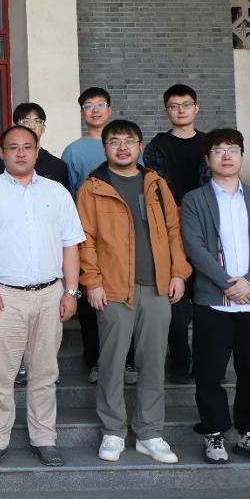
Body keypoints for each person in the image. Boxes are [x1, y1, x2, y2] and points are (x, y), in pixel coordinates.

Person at [0, 125, 85, 468]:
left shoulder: (57, 192)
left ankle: (44, 438)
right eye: (13, 147)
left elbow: (70, 244)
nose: (20, 153)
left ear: (37, 151)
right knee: (0, 374)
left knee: (45, 373)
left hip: (50, 294)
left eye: (27, 147)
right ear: (1, 153)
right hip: (3, 296)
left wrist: (71, 291)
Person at [76, 120, 190, 465]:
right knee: (111, 363)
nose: (122, 147)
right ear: (105, 148)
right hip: (113, 289)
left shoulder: (156, 184)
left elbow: (174, 232)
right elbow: (84, 239)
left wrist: (178, 273)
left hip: (157, 288)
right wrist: (92, 281)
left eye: (129, 141)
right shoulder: (93, 188)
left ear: (140, 146)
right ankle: (113, 430)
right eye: (115, 141)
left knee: (153, 362)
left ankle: (149, 432)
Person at [181, 128, 250, 465]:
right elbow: (194, 247)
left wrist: (249, 283)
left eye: (233, 149)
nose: (226, 156)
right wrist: (227, 283)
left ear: (241, 155)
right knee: (209, 373)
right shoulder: (194, 200)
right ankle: (213, 432)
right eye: (218, 150)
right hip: (213, 302)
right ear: (207, 158)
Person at [61, 86, 133, 386]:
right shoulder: (73, 151)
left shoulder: (125, 145)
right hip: (87, 236)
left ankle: (127, 360)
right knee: (91, 299)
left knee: (125, 298)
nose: (94, 110)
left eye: (100, 104)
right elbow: (68, 196)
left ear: (110, 109)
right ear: (82, 113)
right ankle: (94, 360)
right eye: (88, 105)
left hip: (123, 238)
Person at [144, 84, 209, 383]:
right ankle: (181, 360)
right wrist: (176, 210)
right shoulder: (156, 147)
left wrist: (195, 211)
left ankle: (208, 362)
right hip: (170, 232)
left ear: (196, 108)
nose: (180, 110)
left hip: (206, 232)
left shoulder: (210, 145)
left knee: (207, 301)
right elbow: (155, 187)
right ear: (166, 110)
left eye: (186, 105)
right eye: (173, 106)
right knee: (176, 300)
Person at [0, 102, 68, 188]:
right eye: (26, 121)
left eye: (37, 121)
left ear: (43, 128)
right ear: (15, 127)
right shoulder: (1, 164)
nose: (32, 126)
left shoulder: (57, 166)